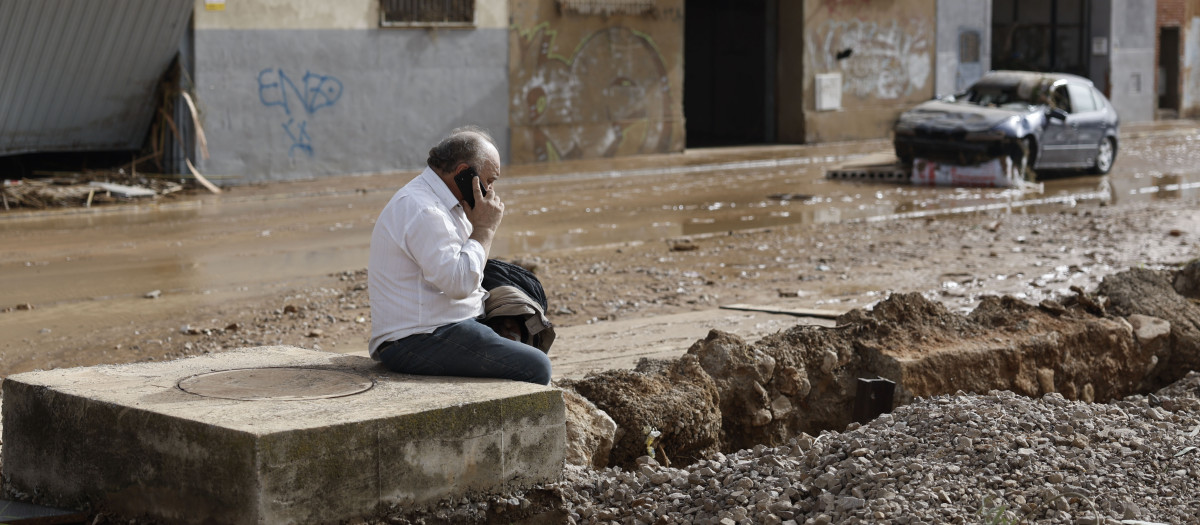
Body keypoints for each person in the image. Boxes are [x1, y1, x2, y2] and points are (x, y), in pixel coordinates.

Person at [367, 126, 552, 385]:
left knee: (529, 322)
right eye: (489, 181)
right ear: (464, 173)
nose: (490, 192)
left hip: (444, 324)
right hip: (417, 338)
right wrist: (485, 228)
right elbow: (459, 284)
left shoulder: (447, 203)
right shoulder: (425, 210)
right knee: (537, 367)